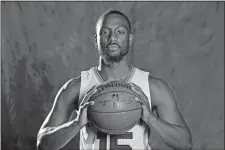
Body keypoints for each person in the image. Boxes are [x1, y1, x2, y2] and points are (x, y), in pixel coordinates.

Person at [37, 10, 193, 150]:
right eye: (105, 32)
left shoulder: (153, 87)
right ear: (95, 39)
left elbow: (185, 143)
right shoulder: (76, 87)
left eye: (120, 32)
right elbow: (43, 144)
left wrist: (151, 119)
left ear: (130, 38)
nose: (112, 38)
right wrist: (77, 124)